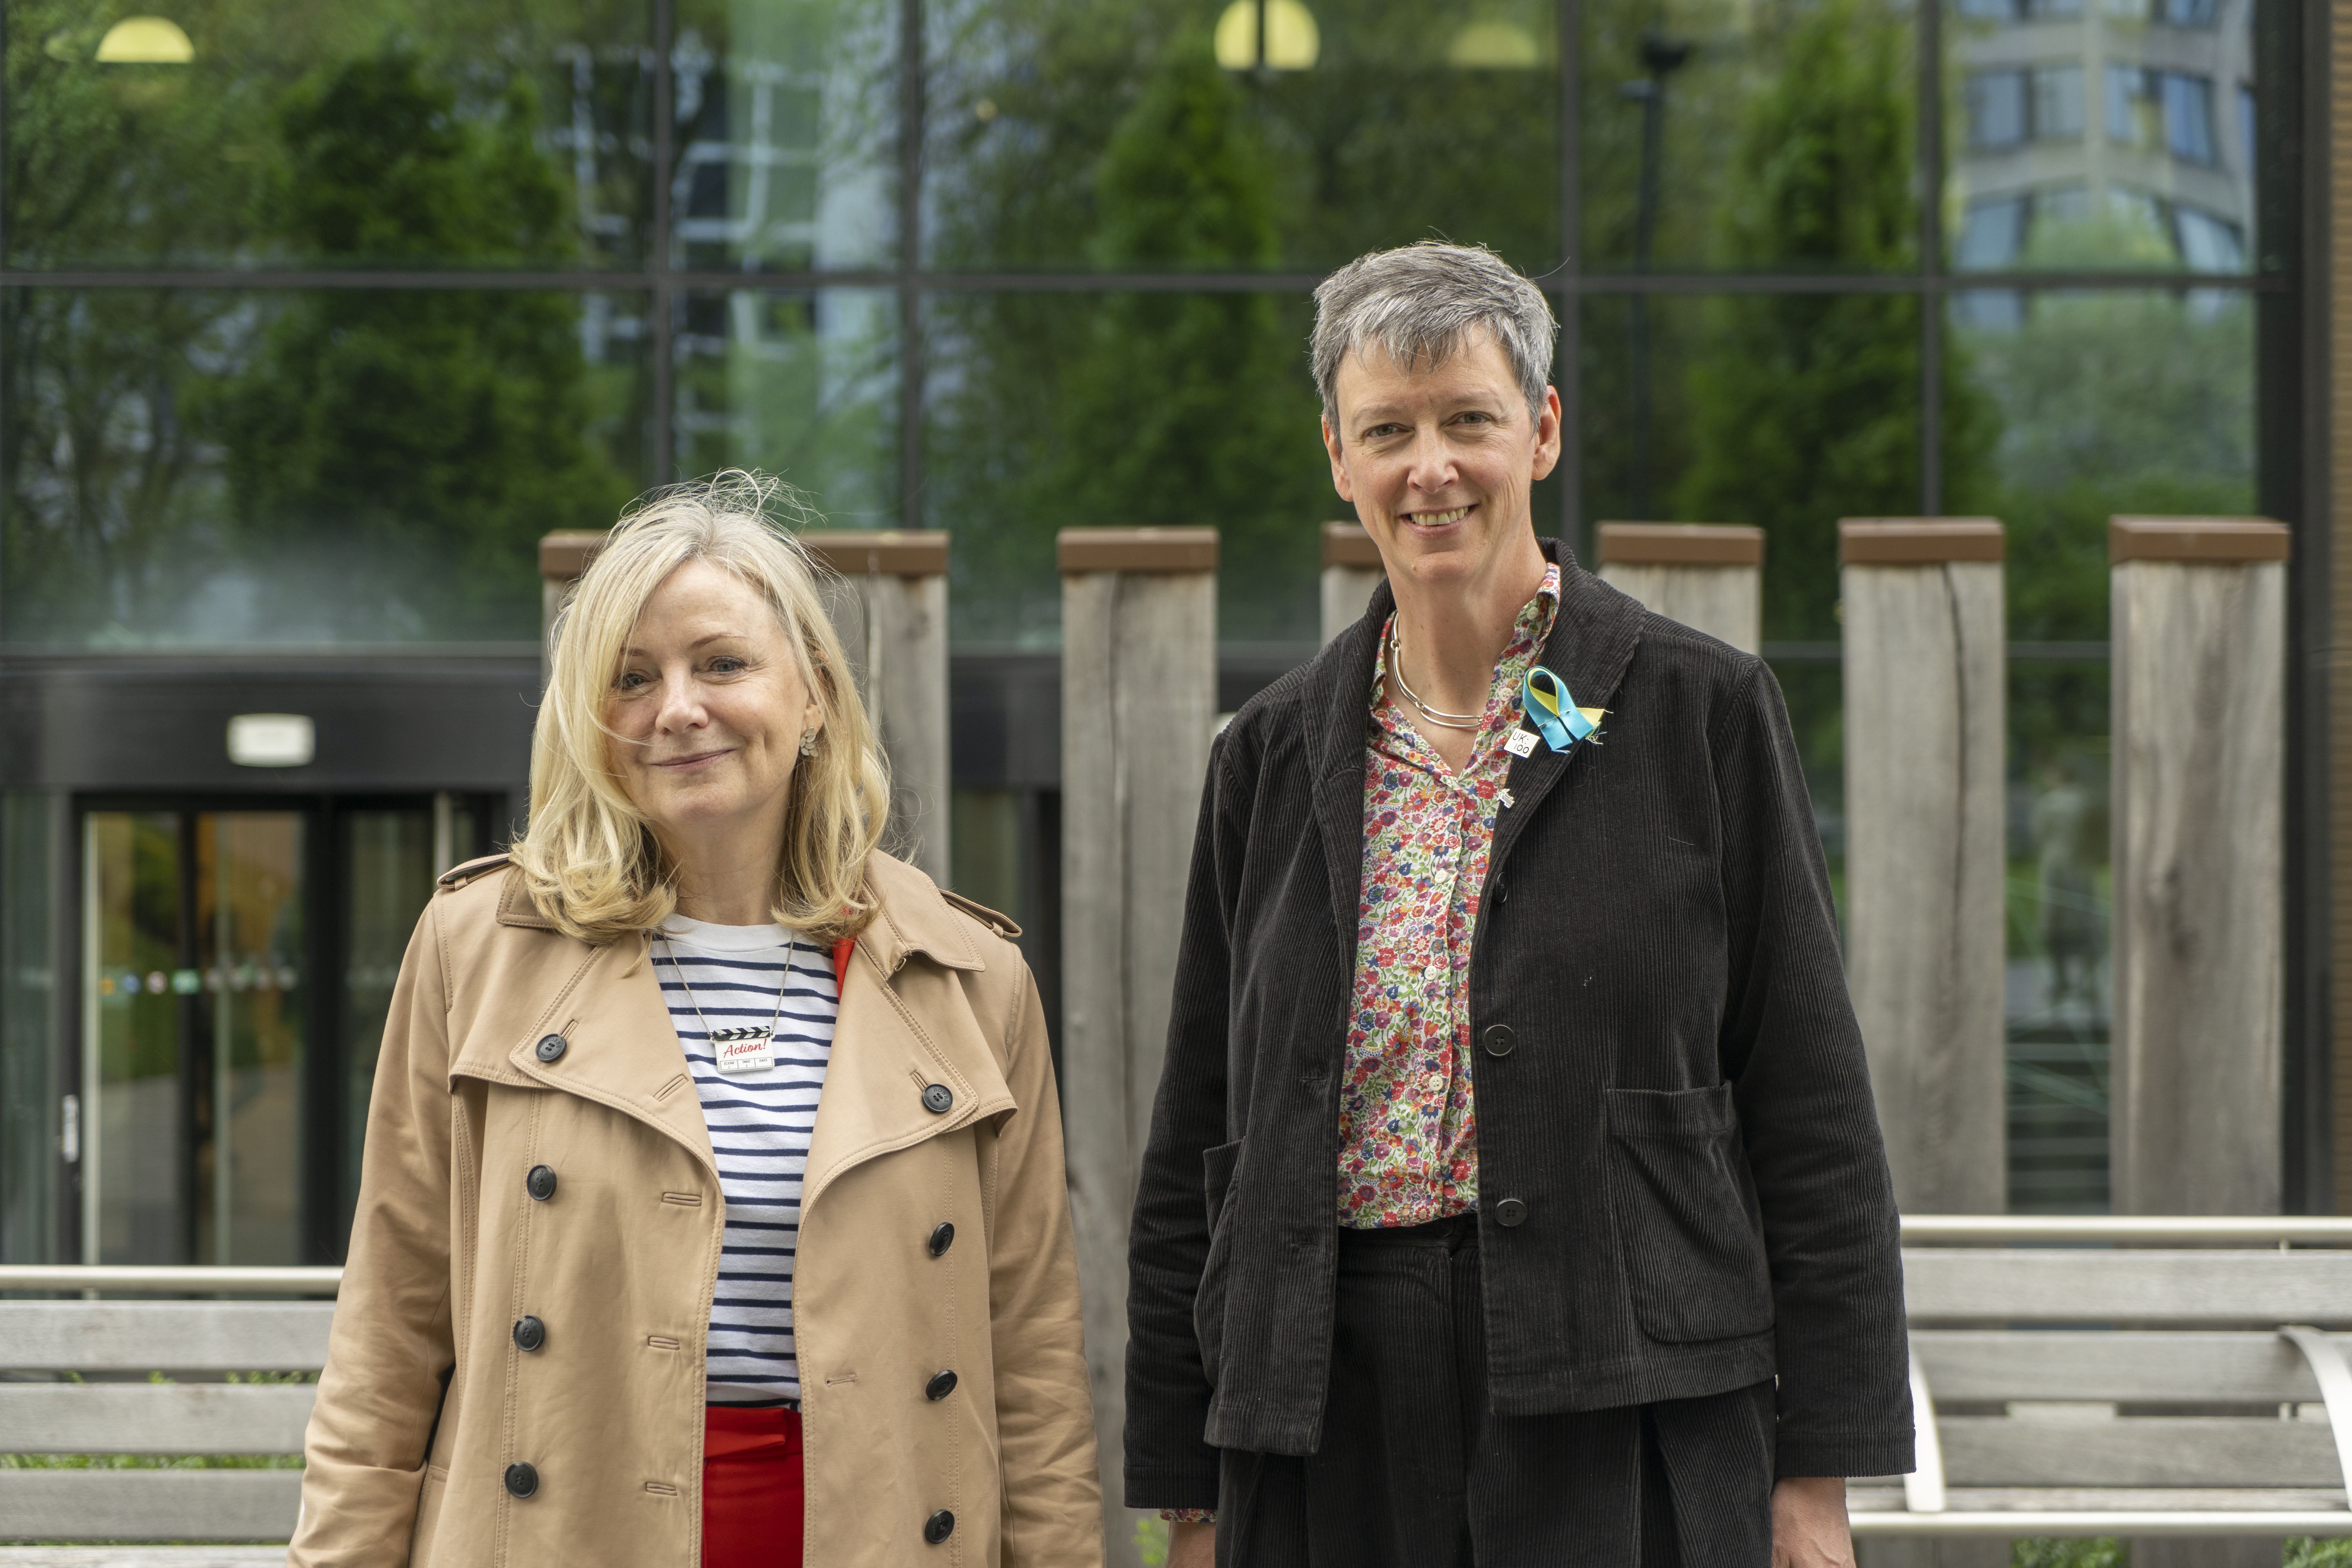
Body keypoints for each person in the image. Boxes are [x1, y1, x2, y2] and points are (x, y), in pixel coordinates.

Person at [1123, 243, 1910, 1567]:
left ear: (1541, 430)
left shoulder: (1700, 710)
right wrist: (1187, 1493)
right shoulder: (1265, 758)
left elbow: (1814, 1115)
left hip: (1627, 1402)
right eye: (1388, 430)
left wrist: (1817, 1481)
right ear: (1338, 456)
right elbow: (1201, 1132)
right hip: (1323, 1416)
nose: (1430, 468)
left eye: (1468, 421)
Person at [290, 473, 1102, 1568]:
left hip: (875, 1532)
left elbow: (1035, 1366)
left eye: (722, 663)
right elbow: (389, 1330)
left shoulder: (968, 976)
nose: (678, 708)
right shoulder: (481, 946)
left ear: (813, 694)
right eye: (632, 678)